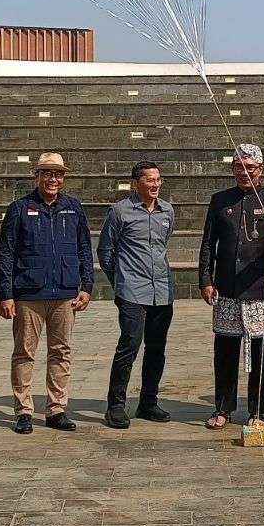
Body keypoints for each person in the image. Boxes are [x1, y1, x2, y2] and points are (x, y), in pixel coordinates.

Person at [198, 143, 264, 431]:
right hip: (226, 289)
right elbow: (207, 244)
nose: (244, 172)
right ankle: (223, 408)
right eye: (239, 167)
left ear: (261, 170)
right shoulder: (219, 200)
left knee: (260, 356)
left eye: (250, 167)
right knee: (225, 352)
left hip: (259, 290)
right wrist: (205, 279)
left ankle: (258, 411)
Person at [0, 152, 93, 434]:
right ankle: (24, 410)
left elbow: (84, 249)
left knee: (61, 352)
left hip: (64, 292)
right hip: (29, 292)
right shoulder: (20, 208)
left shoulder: (73, 208)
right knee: (24, 353)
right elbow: (6, 252)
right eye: (47, 173)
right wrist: (6, 293)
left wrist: (86, 286)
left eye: (58, 174)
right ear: (36, 175)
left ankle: (56, 408)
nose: (53, 179)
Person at [97, 160, 176, 429]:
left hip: (162, 290)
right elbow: (106, 251)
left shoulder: (167, 210)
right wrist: (120, 281)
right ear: (137, 183)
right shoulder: (120, 211)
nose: (155, 185)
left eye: (158, 180)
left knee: (157, 348)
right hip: (132, 290)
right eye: (149, 180)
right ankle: (116, 404)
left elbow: (163, 245)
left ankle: (148, 402)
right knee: (129, 346)